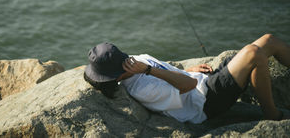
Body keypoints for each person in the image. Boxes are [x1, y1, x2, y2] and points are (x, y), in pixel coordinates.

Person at [84, 34, 290, 123]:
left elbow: (165, 69)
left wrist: (188, 69)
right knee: (254, 53)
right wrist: (147, 70)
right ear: (116, 75)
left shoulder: (136, 60)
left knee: (269, 40)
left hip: (201, 82)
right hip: (206, 102)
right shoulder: (139, 88)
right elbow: (190, 86)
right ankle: (272, 114)